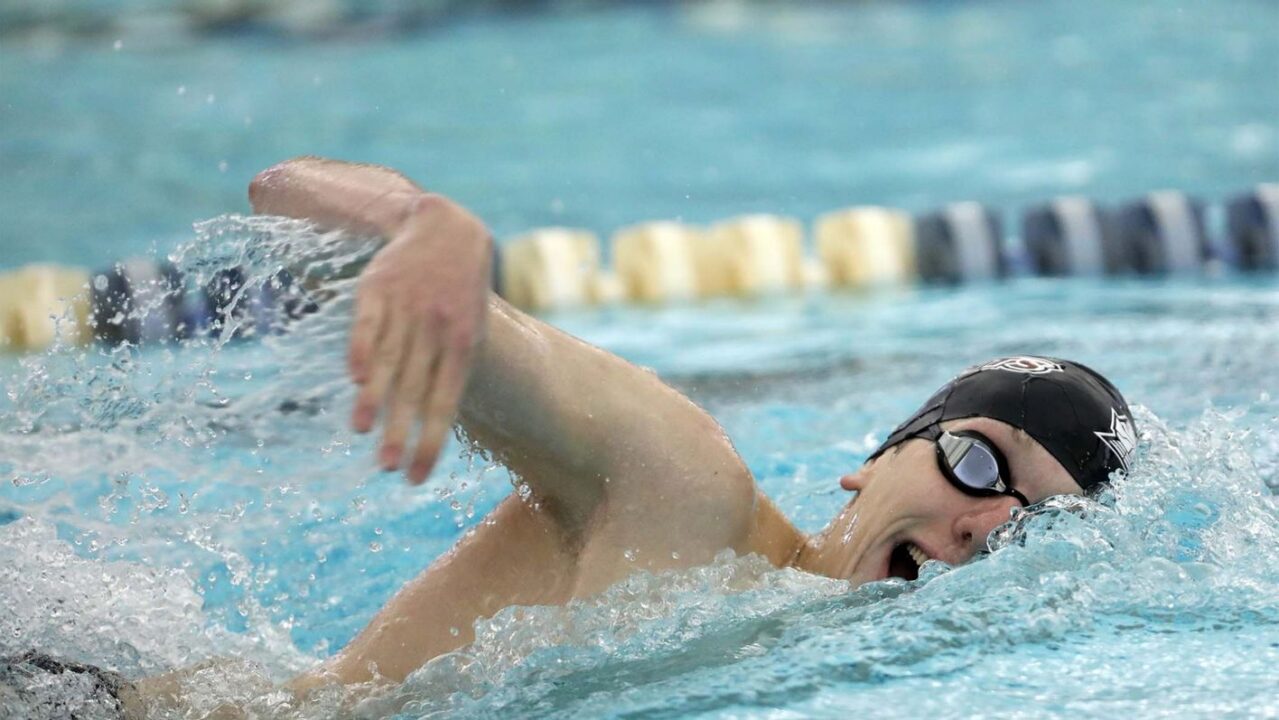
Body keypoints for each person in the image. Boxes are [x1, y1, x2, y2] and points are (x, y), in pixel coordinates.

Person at [1, 157, 1138, 717]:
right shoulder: (682, 495)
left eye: (1032, 524)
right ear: (875, 457)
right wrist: (420, 225)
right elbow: (282, 190)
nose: (988, 525)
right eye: (979, 461)